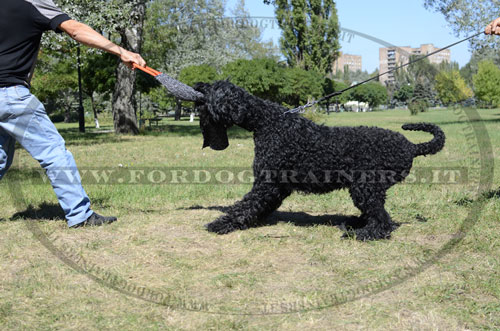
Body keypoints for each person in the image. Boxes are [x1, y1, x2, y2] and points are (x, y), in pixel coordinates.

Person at [0, 0, 146, 228]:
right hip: (11, 96)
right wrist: (120, 50)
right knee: (54, 152)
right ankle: (80, 215)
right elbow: (75, 29)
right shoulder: (33, 3)